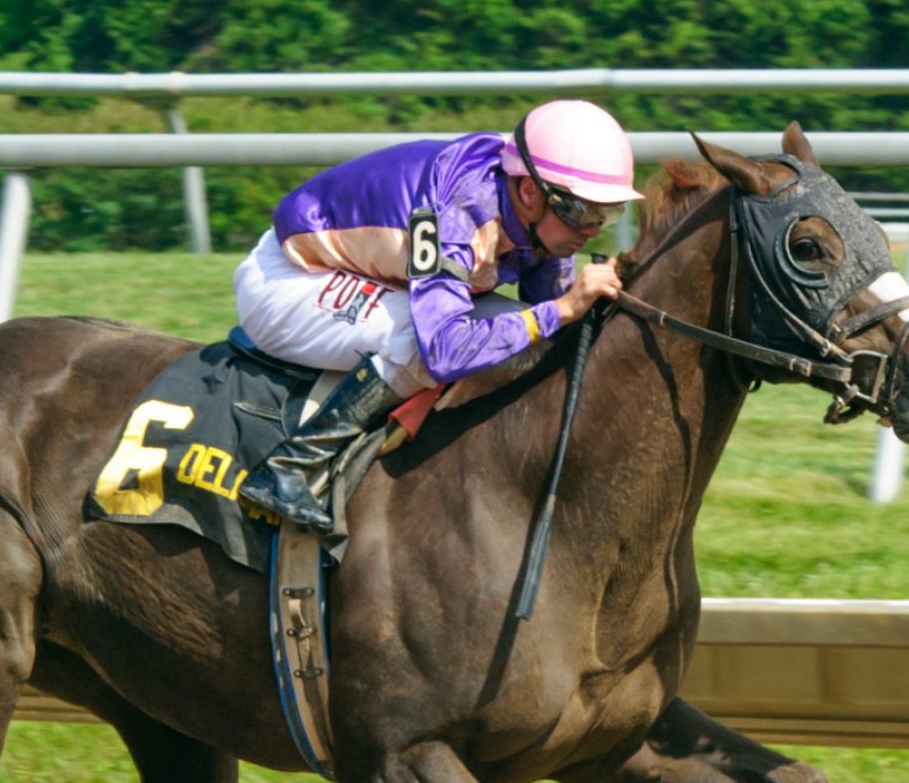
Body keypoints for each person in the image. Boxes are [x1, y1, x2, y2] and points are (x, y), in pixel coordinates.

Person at [233, 99, 642, 532]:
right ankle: (291, 465)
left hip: (373, 272)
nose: (591, 231)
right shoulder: (452, 216)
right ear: (528, 192)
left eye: (606, 214)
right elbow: (444, 349)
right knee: (422, 341)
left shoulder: (539, 212)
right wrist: (558, 311)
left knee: (519, 328)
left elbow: (552, 314)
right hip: (289, 278)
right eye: (581, 212)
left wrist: (581, 305)